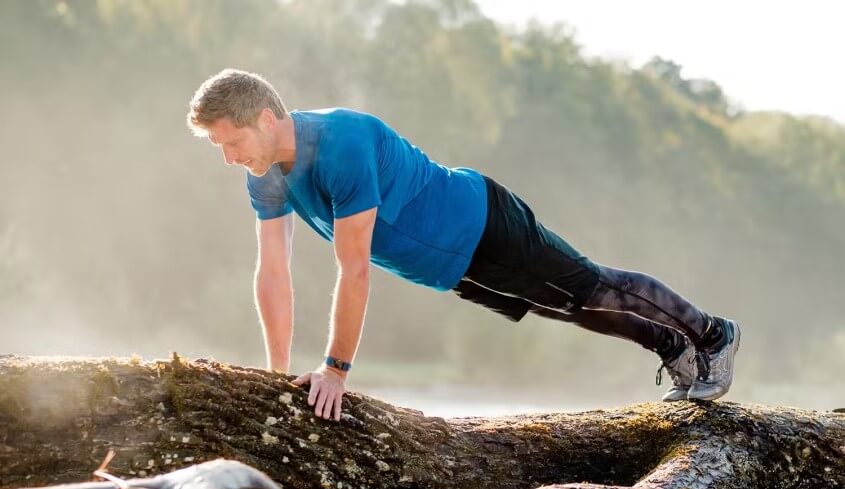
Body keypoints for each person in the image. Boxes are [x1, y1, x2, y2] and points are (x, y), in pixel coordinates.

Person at [187, 69, 740, 422]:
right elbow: (273, 274)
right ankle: (675, 352)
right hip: (449, 268)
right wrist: (277, 376)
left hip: (482, 221)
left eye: (231, 142)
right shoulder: (263, 175)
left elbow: (353, 270)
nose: (229, 157)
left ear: (264, 119)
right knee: (570, 309)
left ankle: (713, 336)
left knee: (592, 286)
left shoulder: (340, 144)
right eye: (219, 147)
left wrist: (335, 369)